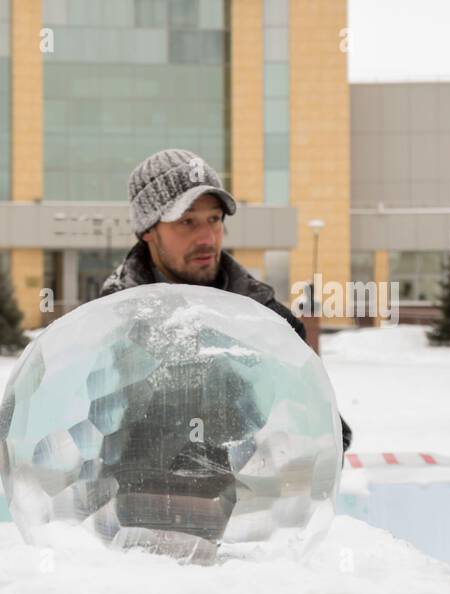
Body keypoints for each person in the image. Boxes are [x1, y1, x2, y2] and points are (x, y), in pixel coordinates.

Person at [99, 148, 352, 452]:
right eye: (187, 222)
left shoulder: (268, 319)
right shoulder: (110, 323)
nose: (208, 238)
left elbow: (321, 428)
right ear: (148, 231)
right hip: (139, 497)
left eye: (214, 219)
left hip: (245, 498)